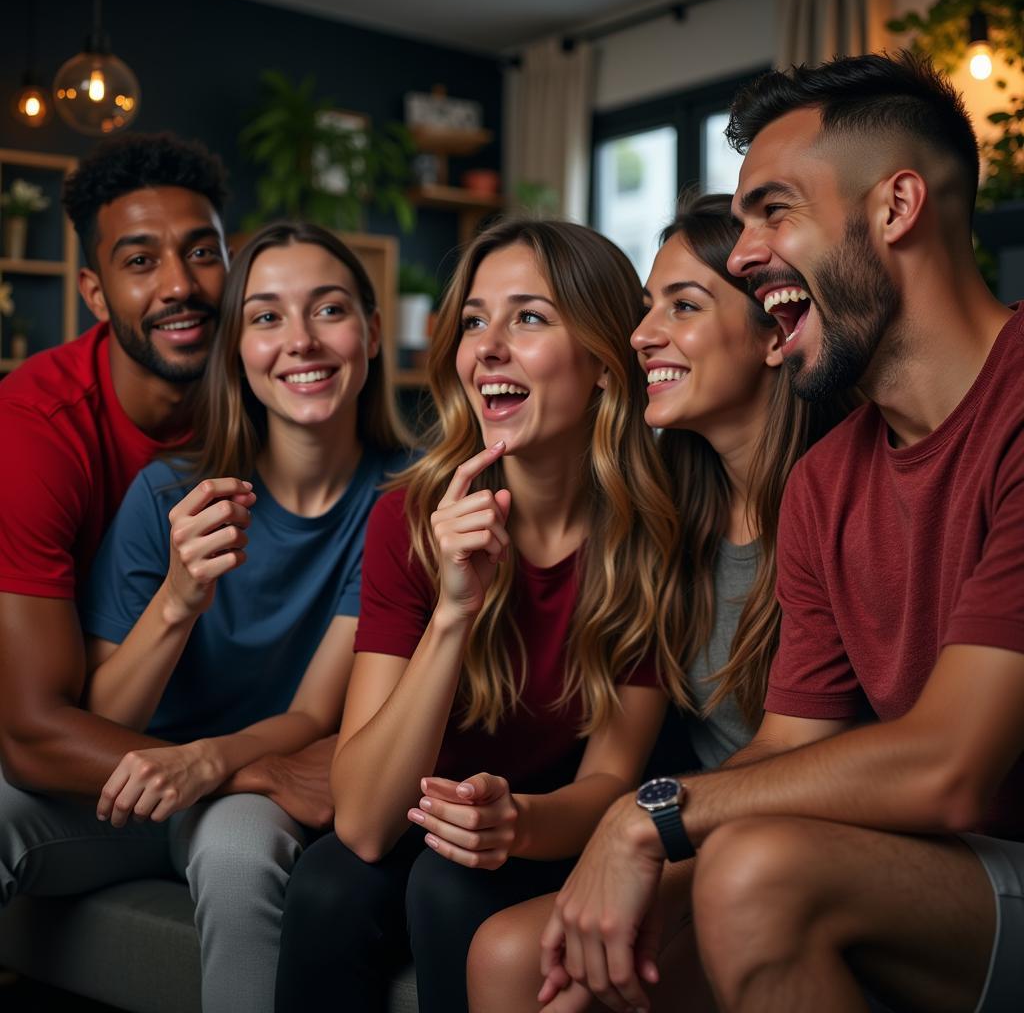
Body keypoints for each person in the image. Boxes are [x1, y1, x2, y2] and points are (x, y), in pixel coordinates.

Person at [535, 50, 1024, 1013]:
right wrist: (626, 843)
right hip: (938, 867)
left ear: (895, 208)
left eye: (776, 210)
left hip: (984, 851)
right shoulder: (827, 481)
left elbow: (953, 766)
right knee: (527, 957)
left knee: (755, 874)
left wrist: (654, 812)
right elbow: (793, 742)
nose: (747, 250)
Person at [274, 218, 685, 1013]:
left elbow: (610, 779)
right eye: (473, 321)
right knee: (328, 883)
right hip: (417, 812)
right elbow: (361, 821)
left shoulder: (651, 535)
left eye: (528, 317)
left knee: (449, 887)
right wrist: (455, 611)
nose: (487, 346)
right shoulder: (408, 518)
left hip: (554, 823)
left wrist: (519, 825)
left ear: (604, 361)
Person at [466, 193, 854, 1012]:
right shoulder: (672, 514)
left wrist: (646, 828)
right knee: (506, 953)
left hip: (801, 844)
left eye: (681, 305)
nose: (642, 334)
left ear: (774, 337)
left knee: (540, 975)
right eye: (647, 307)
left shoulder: (835, 503)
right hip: (700, 834)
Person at [0, 137, 339, 1012]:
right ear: (93, 291)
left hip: (215, 760)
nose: (180, 285)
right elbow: (35, 732)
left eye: (201, 252)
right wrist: (236, 767)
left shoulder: (299, 418)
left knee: (235, 849)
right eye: (139, 261)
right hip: (104, 755)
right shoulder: (39, 428)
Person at [75, 220, 410, 1009]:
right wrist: (180, 598)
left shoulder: (403, 502)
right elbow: (107, 715)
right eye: (265, 317)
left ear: (370, 331)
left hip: (258, 793)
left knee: (234, 848)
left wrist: (208, 763)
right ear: (235, 348)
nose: (299, 341)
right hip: (130, 790)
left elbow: (315, 712)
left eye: (328, 310)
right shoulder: (165, 494)